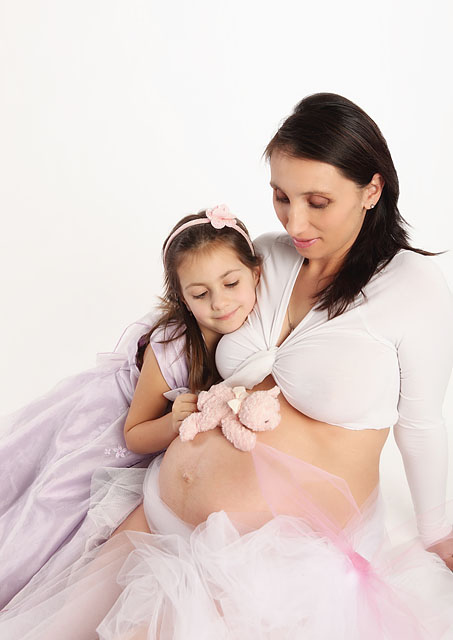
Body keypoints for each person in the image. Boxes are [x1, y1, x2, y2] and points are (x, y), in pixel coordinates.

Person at [2, 93, 453, 639]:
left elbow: (423, 426)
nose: (295, 221)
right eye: (281, 197)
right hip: (157, 514)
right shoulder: (266, 255)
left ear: (372, 190)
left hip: (269, 560)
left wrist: (437, 531)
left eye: (317, 201)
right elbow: (189, 334)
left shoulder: (414, 289)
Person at [0, 205, 260, 608]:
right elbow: (134, 435)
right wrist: (172, 424)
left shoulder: (260, 323)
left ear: (255, 274)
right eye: (200, 294)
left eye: (231, 283)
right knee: (57, 507)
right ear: (183, 298)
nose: (220, 302)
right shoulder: (172, 347)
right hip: (108, 427)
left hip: (167, 445)